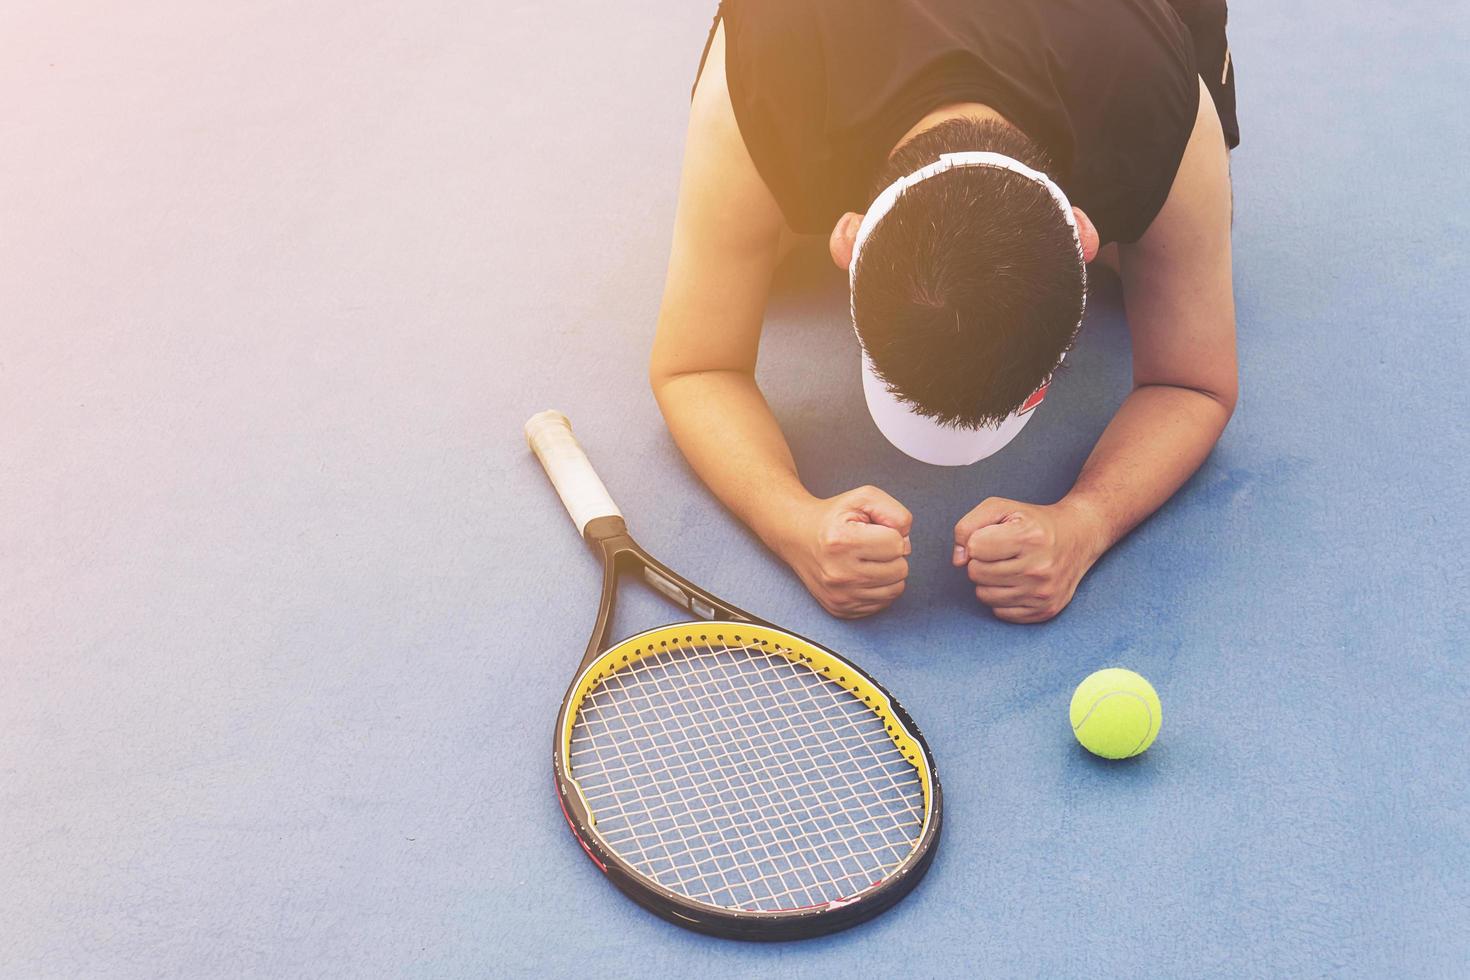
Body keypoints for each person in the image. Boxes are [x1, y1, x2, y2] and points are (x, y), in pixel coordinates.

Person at [649, 0, 1240, 622]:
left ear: (1082, 232)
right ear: (846, 238)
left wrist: (1086, 523)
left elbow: (1192, 381)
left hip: (1123, 32)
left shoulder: (1161, 111)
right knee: (772, 251)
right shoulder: (757, 85)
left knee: (1154, 244)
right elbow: (694, 368)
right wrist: (791, 521)